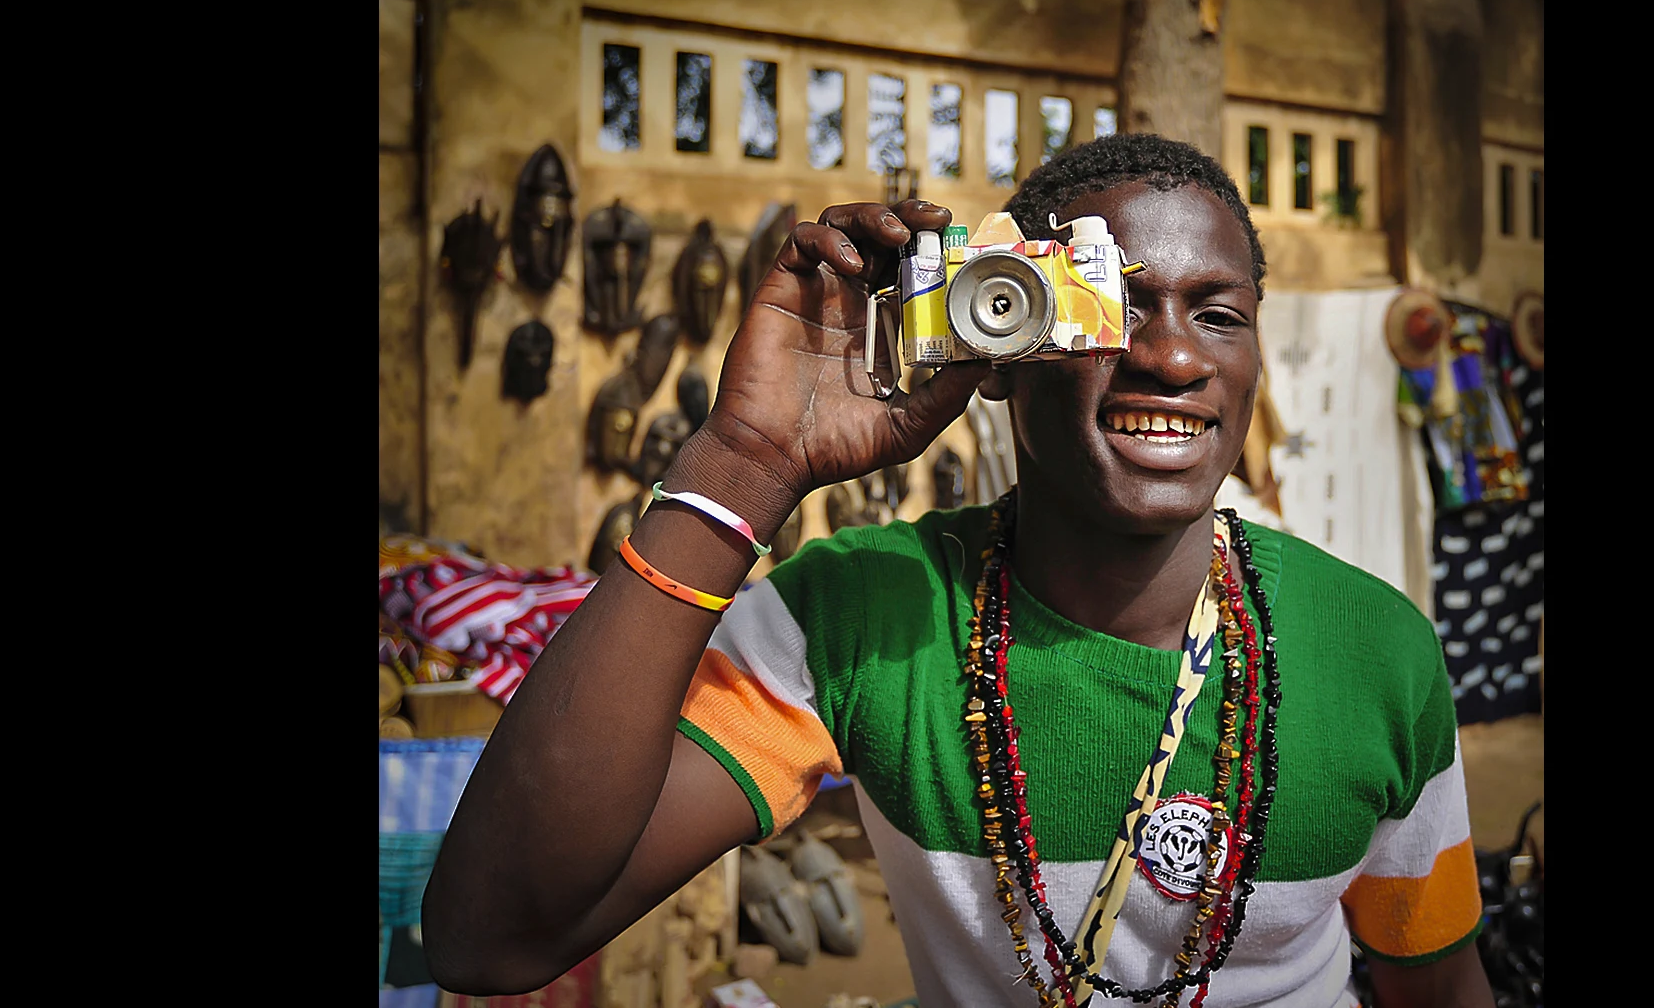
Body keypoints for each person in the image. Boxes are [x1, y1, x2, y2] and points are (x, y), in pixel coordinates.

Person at [424, 134, 1495, 1008]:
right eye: (1104, 305)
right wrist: (741, 464)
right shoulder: (859, 619)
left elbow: (1439, 989)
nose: (1171, 355)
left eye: (1219, 313)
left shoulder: (1373, 646)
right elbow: (492, 934)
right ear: (997, 342)